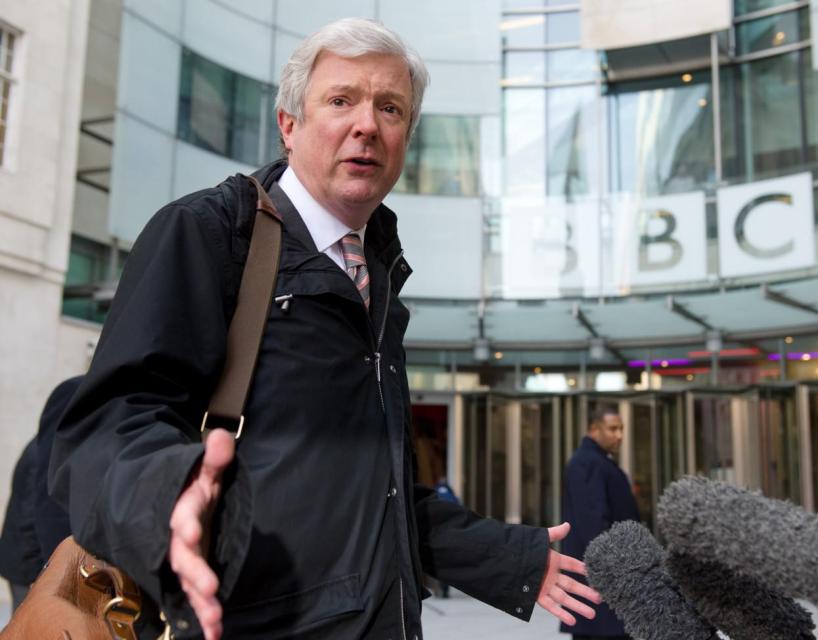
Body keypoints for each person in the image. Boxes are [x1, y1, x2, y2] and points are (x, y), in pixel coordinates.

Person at [49, 18, 600, 640]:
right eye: (341, 100)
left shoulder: (380, 273)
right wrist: (165, 498)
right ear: (290, 125)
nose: (367, 124)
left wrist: (508, 559)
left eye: (390, 108)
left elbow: (368, 493)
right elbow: (104, 429)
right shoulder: (208, 234)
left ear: (405, 137)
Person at [560, 406, 642, 640]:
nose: (619, 435)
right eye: (612, 428)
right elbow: (593, 524)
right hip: (602, 587)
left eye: (621, 429)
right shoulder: (587, 462)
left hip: (606, 587)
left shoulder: (597, 461)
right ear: (594, 429)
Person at [0, 377, 77, 609]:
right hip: (28, 565)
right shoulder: (46, 455)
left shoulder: (44, 447)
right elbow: (35, 512)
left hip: (25, 560)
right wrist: (44, 571)